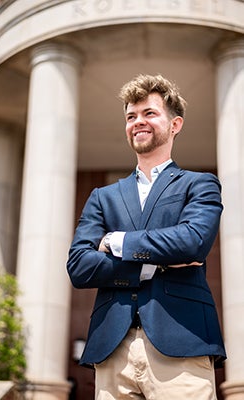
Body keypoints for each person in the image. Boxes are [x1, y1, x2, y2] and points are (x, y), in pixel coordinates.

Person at [66, 74, 226, 400]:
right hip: (112, 347)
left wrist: (114, 243)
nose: (138, 122)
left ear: (175, 124)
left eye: (149, 113)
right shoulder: (103, 197)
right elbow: (79, 267)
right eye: (131, 116)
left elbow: (193, 242)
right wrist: (154, 263)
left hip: (182, 341)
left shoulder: (200, 184)